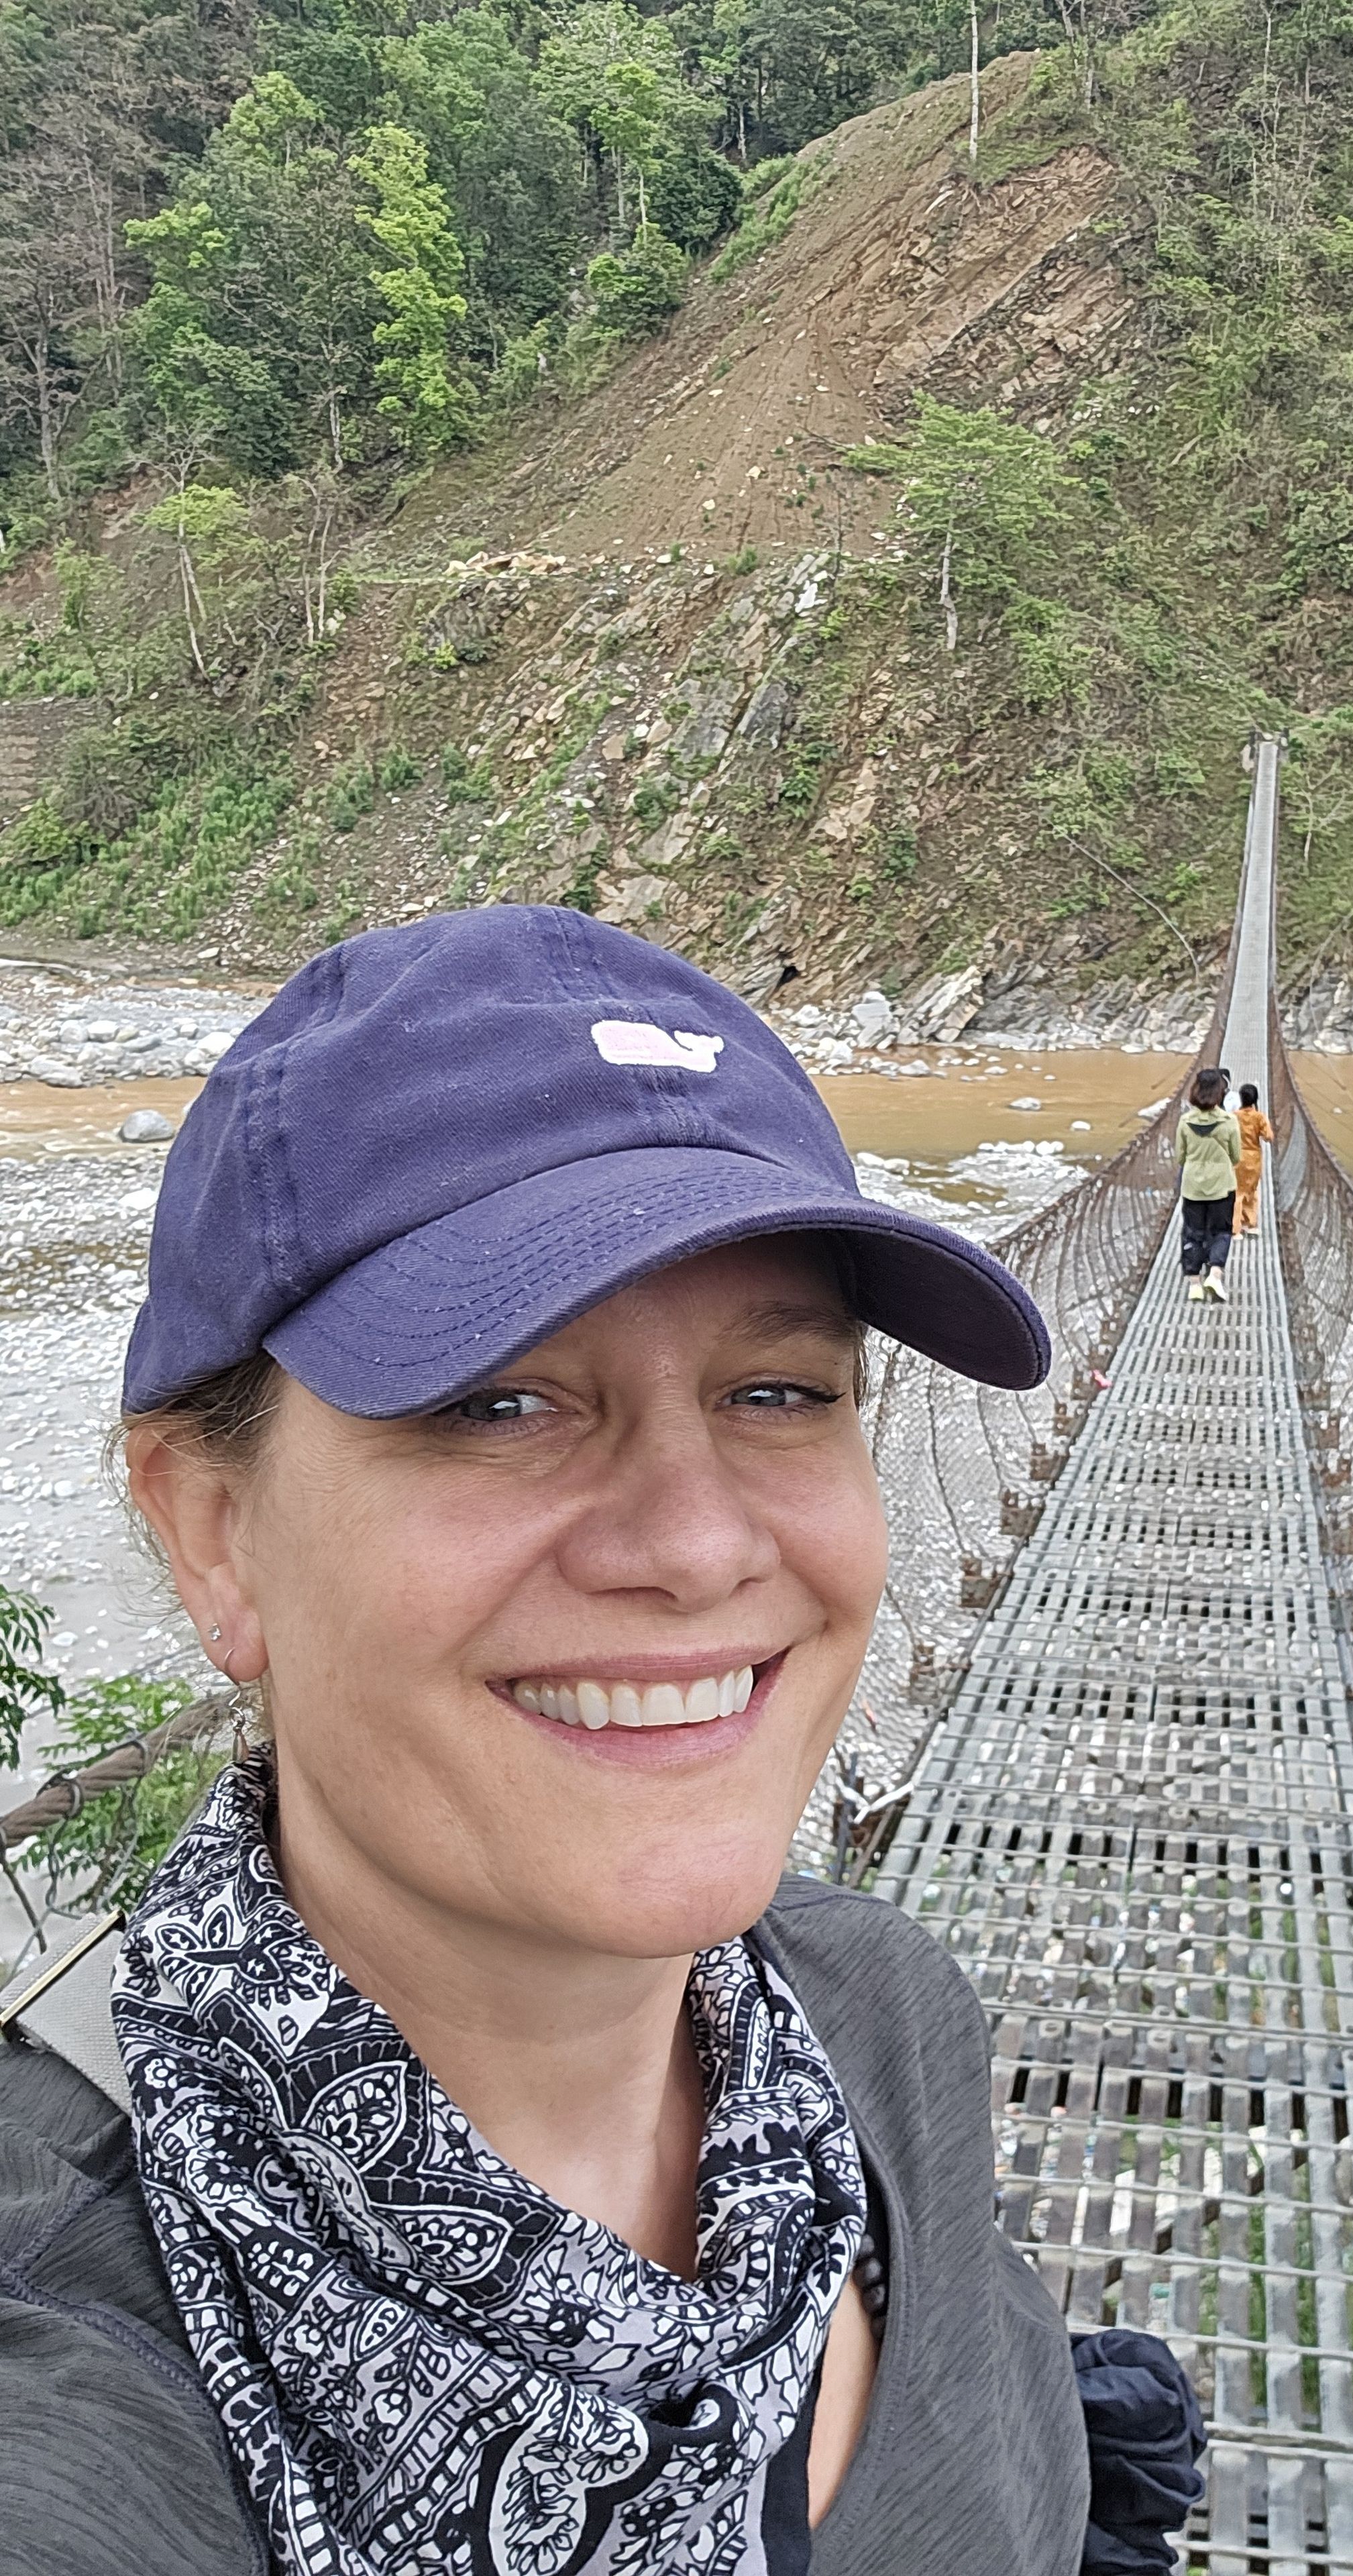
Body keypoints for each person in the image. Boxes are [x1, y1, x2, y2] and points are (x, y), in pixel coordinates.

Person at [0, 908, 1202, 2576]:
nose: (697, 1545)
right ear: (213, 1531)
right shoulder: (62, 2415)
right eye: (503, 1401)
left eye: (776, 1391)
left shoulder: (879, 2015)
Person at [1175, 1066, 1240, 1304]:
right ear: (1221, 1093)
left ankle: (1194, 1283)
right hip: (1222, 1186)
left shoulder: (1185, 1122)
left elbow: (1180, 1157)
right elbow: (1236, 1156)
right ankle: (1214, 1274)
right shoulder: (1229, 1122)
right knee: (1221, 1232)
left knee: (1193, 1232)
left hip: (1193, 1187)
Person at [1232, 1084, 1274, 1238]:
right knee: (1251, 1190)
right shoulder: (1259, 1117)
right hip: (1254, 1158)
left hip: (1237, 1157)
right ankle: (1250, 1223)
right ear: (1256, 1099)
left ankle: (1236, 1228)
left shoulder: (1234, 1115)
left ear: (1241, 1099)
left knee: (1237, 1191)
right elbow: (1269, 1136)